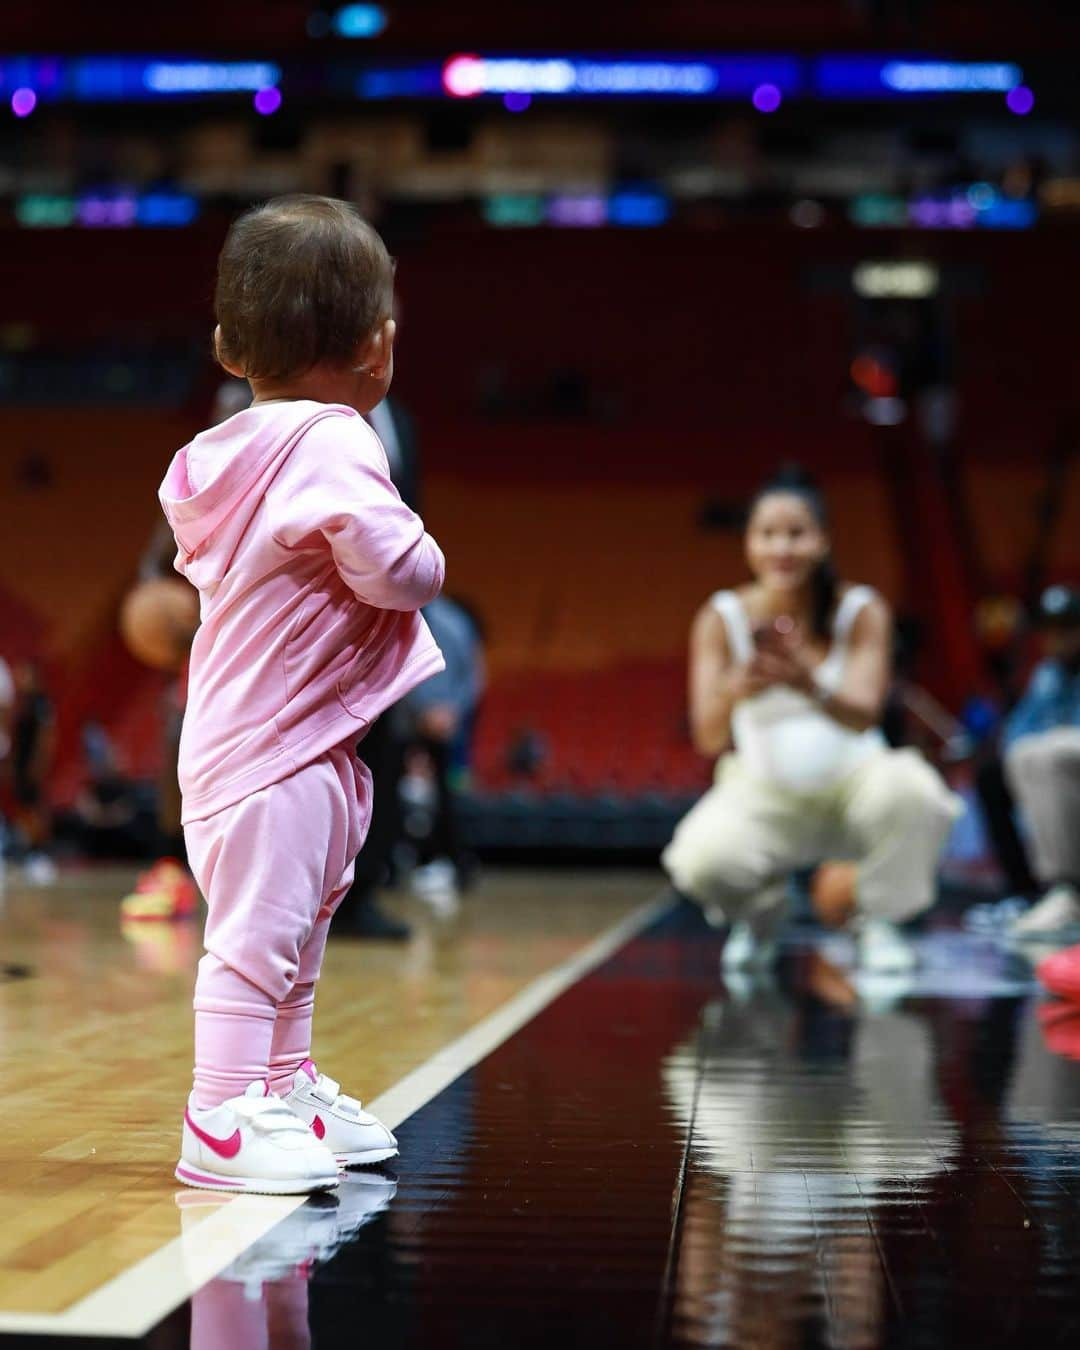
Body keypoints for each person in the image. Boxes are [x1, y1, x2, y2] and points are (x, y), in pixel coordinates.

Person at [158, 194, 446, 1194]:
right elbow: (395, 569)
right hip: (271, 755)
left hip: (279, 744)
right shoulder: (333, 439)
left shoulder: (228, 448)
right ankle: (222, 1114)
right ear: (380, 344)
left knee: (295, 928)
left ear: (230, 347)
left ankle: (281, 1088)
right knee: (259, 942)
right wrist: (427, 554)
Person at [662, 466, 960, 973]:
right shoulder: (720, 617)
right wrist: (736, 686)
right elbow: (709, 738)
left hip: (856, 789)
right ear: (748, 544)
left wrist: (808, 681)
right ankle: (761, 916)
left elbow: (865, 715)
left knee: (919, 794)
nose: (782, 548)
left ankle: (879, 920)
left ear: (821, 541)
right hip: (765, 796)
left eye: (796, 533)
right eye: (767, 534)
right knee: (697, 861)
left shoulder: (860, 609)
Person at [1002, 585, 1080, 939]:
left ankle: (1069, 888)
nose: (1057, 637)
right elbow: (1018, 730)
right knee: (1012, 760)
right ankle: (1028, 890)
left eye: (1067, 627)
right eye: (1050, 629)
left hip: (1066, 753)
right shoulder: (1047, 674)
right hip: (1060, 757)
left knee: (1046, 753)